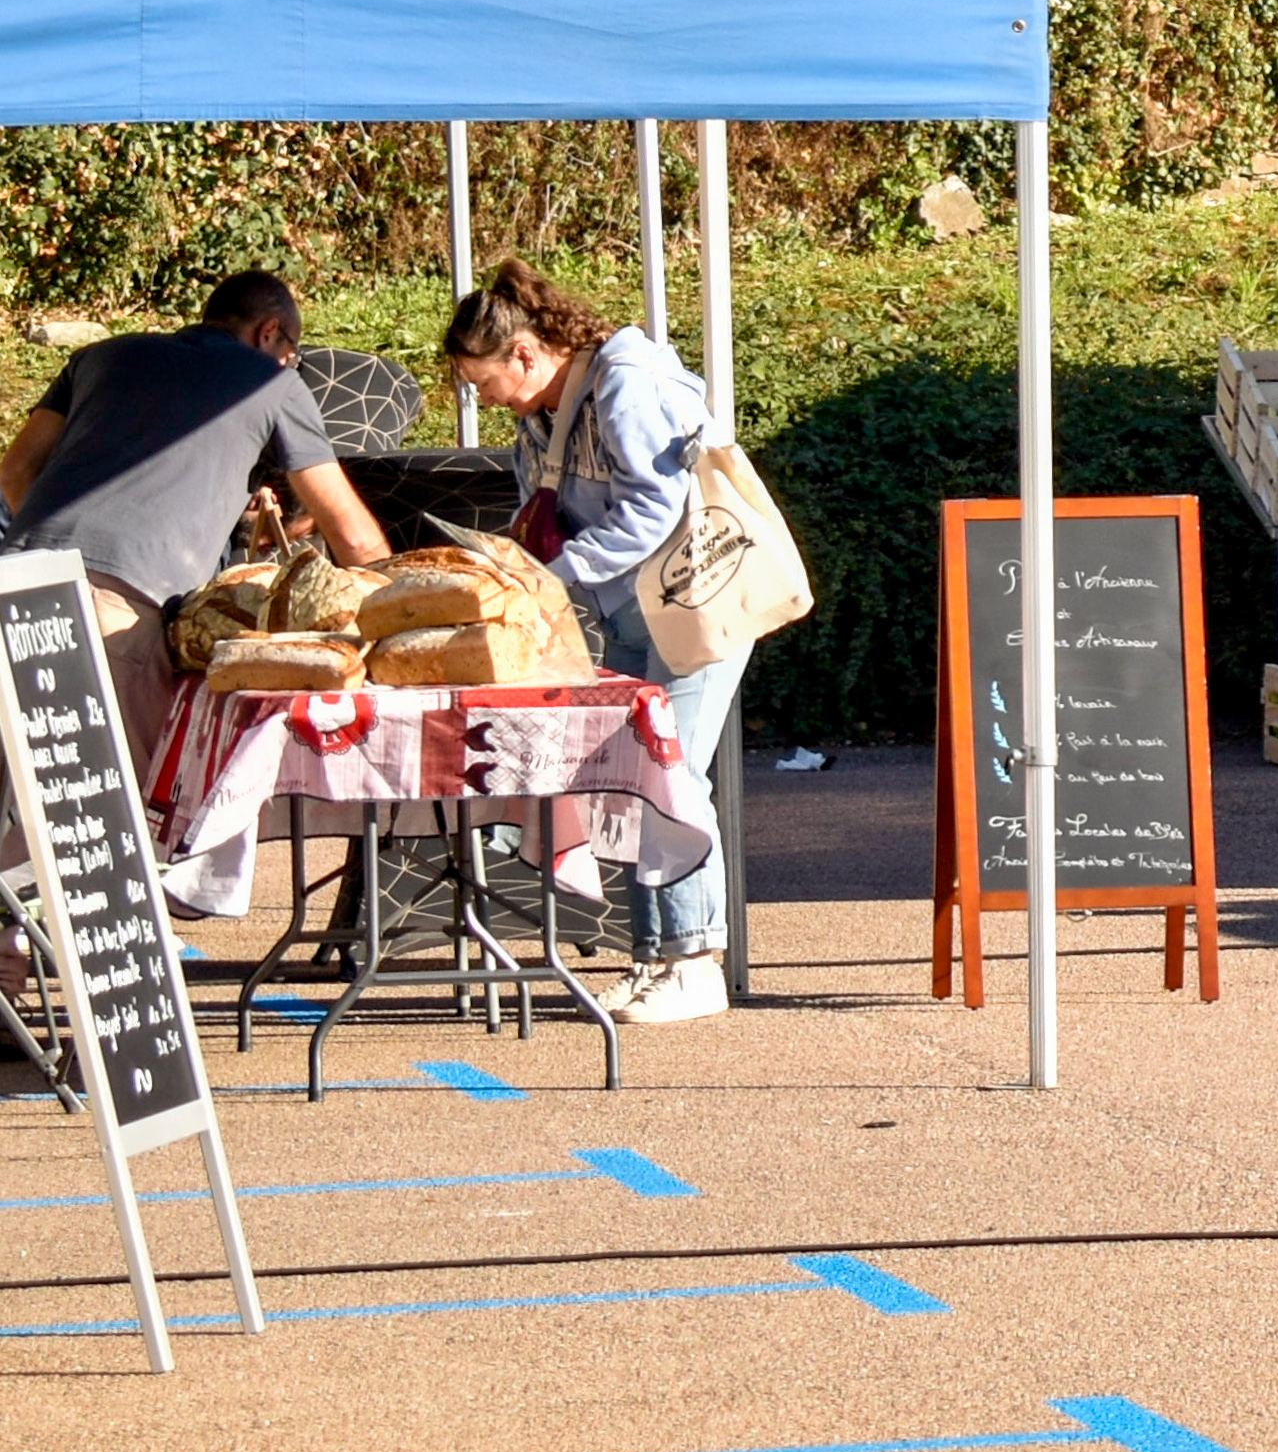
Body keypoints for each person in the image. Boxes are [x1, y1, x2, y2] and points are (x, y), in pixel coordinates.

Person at [438, 264, 746, 1023]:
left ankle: (695, 964)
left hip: (689, 604)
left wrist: (557, 575)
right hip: (631, 609)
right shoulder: (545, 408)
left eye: (486, 383)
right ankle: (655, 961)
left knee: (673, 779)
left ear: (528, 354)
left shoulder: (624, 382)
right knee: (641, 781)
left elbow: (654, 504)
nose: (484, 399)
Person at [0, 270, 390, 768]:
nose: (292, 361)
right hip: (115, 610)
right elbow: (349, 532)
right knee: (105, 808)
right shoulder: (274, 383)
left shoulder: (98, 357)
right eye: (293, 349)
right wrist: (395, 603)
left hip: (14, 578)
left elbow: (16, 470)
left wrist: (50, 554)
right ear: (268, 333)